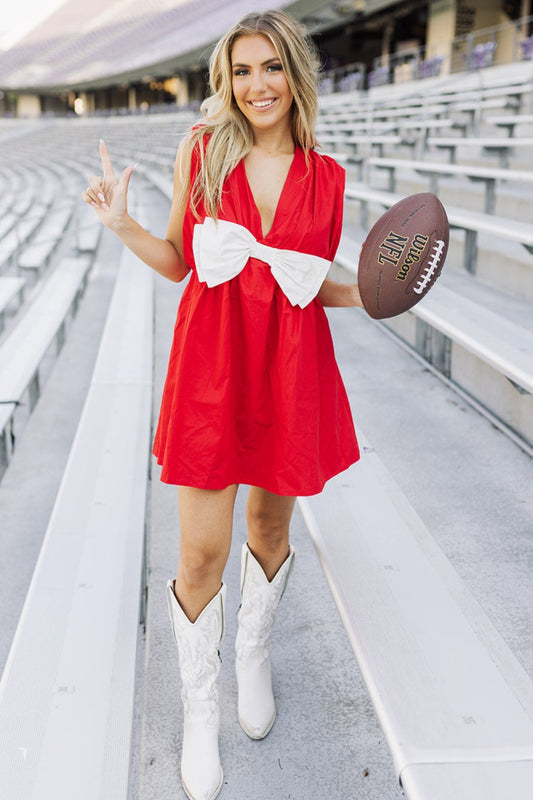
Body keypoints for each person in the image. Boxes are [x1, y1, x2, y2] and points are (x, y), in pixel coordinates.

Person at [82, 9, 363, 800]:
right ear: (225, 81)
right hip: (210, 370)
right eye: (241, 70)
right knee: (200, 555)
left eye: (270, 67)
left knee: (269, 526)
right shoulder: (202, 150)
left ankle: (251, 656)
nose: (256, 84)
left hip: (286, 370)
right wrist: (122, 223)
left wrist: (369, 297)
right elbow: (178, 264)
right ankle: (200, 714)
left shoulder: (327, 176)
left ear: (294, 75)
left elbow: (308, 286)